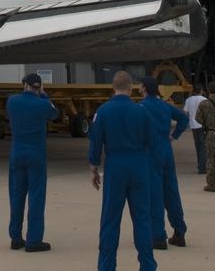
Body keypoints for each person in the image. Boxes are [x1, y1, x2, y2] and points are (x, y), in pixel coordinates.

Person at [88, 71, 157, 271]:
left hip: (115, 165)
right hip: (138, 164)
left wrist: (93, 167)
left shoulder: (103, 111)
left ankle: (106, 266)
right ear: (131, 88)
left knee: (110, 220)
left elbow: (95, 142)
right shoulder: (142, 111)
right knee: (142, 219)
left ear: (113, 87)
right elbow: (153, 142)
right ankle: (147, 265)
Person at [6, 72, 59, 252]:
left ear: (24, 84)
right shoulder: (43, 104)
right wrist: (43, 94)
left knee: (16, 195)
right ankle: (34, 240)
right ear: (38, 87)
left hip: (17, 153)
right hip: (36, 154)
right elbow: (54, 113)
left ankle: (15, 237)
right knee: (36, 196)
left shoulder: (12, 101)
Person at [138, 78, 188, 249]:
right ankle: (179, 231)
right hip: (166, 149)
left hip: (150, 150)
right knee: (171, 189)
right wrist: (174, 135)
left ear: (144, 88)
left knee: (154, 193)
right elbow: (183, 118)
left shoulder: (142, 107)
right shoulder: (165, 105)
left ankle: (158, 236)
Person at [183, 87, 207, 174]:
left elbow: (185, 112)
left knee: (198, 146)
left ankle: (200, 166)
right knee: (203, 147)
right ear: (201, 91)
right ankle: (202, 167)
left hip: (193, 126)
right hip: (202, 125)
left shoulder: (188, 100)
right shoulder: (204, 99)